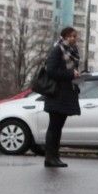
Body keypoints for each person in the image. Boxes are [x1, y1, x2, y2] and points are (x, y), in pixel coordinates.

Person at [41, 26, 81, 168]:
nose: (74, 39)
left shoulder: (72, 52)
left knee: (58, 127)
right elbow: (51, 71)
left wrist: (76, 75)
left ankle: (55, 156)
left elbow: (69, 70)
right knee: (54, 127)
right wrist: (71, 74)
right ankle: (49, 157)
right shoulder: (57, 50)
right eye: (71, 36)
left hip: (66, 93)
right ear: (64, 37)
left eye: (75, 36)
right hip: (56, 94)